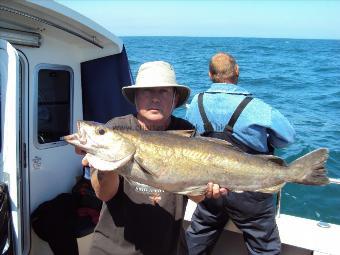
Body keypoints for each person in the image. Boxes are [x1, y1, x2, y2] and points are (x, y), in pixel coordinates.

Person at [78, 61, 225, 255]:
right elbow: (104, 194)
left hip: (168, 247)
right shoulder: (115, 129)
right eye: (147, 91)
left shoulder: (186, 132)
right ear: (136, 97)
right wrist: (106, 166)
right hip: (113, 247)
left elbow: (195, 196)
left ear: (175, 98)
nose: (154, 98)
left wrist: (206, 190)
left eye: (163, 91)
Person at [185, 52, 296, 255]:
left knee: (197, 240)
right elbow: (287, 138)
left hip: (211, 188)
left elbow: (190, 138)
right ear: (237, 71)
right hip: (250, 190)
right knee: (263, 247)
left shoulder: (196, 103)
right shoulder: (258, 108)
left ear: (210, 74)